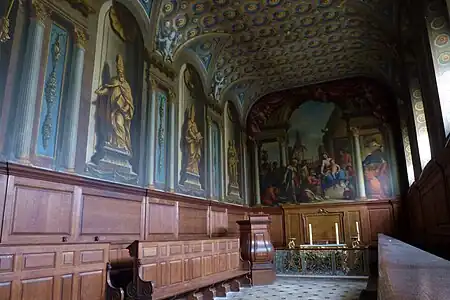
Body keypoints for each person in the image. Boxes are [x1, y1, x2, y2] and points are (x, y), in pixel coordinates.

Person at [95, 54, 134, 153]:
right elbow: (108, 90)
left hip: (120, 110)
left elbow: (129, 100)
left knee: (118, 122)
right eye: (118, 69)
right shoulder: (113, 81)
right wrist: (100, 92)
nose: (120, 71)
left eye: (121, 69)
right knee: (111, 125)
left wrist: (126, 106)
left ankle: (121, 144)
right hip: (112, 108)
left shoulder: (126, 85)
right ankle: (113, 142)